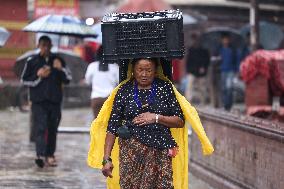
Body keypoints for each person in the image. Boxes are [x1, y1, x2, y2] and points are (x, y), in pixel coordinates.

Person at [87, 58, 214, 189]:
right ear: (133, 70)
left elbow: (179, 121)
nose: (144, 74)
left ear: (155, 71)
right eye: (140, 70)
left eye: (148, 70)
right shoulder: (124, 90)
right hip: (131, 156)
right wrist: (106, 159)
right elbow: (112, 127)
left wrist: (156, 118)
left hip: (160, 154)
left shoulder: (165, 88)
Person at [21, 35, 72, 168]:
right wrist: (38, 76)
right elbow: (24, 80)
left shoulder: (58, 59)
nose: (46, 48)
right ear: (38, 46)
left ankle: (50, 155)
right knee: (40, 128)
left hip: (55, 101)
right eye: (43, 45)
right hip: (38, 101)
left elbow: (68, 79)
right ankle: (40, 155)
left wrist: (61, 69)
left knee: (52, 129)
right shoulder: (32, 61)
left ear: (51, 46)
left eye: (48, 45)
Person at [85, 46, 119, 119]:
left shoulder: (92, 66)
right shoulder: (115, 66)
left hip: (96, 98)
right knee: (109, 123)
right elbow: (118, 82)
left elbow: (88, 81)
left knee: (97, 123)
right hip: (110, 98)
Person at [185, 33, 210, 104]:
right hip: (192, 71)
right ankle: (189, 101)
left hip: (201, 72)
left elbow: (207, 60)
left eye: (195, 40)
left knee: (202, 87)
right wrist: (188, 70)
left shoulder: (203, 50)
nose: (194, 41)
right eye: (193, 40)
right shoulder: (191, 50)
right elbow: (188, 61)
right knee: (189, 85)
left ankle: (203, 101)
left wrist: (204, 67)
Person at [219, 34, 238, 111]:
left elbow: (236, 60)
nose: (225, 41)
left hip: (230, 71)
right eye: (224, 39)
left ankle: (228, 105)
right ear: (222, 40)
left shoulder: (233, 50)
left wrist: (236, 70)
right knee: (224, 88)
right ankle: (225, 104)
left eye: (227, 39)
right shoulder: (219, 50)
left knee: (229, 88)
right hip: (223, 70)